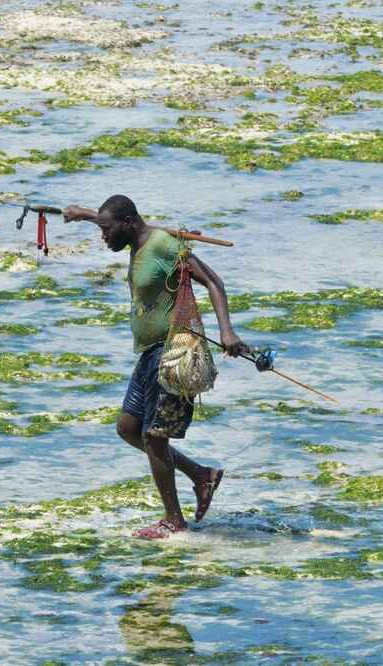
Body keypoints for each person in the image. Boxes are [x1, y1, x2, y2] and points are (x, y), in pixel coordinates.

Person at [63, 194, 249, 539]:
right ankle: (201, 475)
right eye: (101, 229)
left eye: (105, 231)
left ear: (128, 223)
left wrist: (227, 331)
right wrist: (84, 215)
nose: (103, 237)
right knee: (129, 428)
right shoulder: (134, 234)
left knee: (154, 436)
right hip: (148, 354)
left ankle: (173, 521)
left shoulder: (163, 246)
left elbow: (214, 282)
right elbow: (114, 218)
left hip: (173, 352)